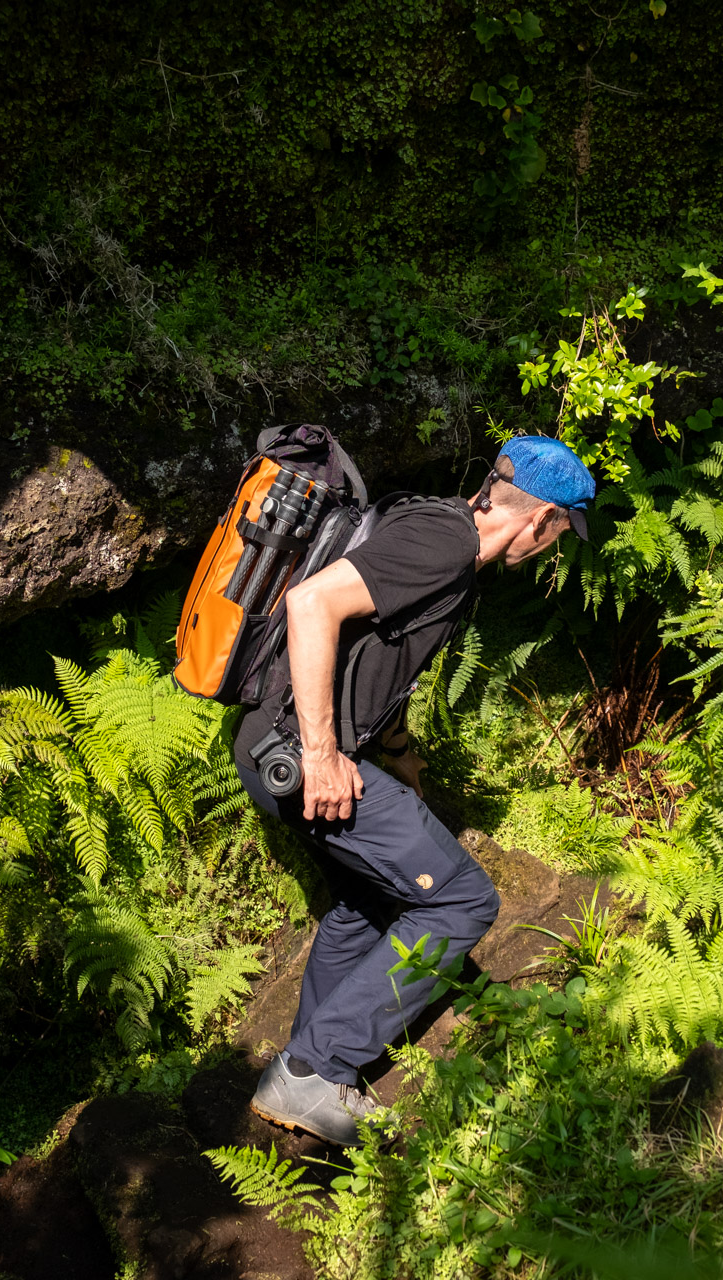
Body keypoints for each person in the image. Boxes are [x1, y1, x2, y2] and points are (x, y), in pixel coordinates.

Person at [236, 435, 597, 1146]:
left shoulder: (438, 534)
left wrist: (401, 762)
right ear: (542, 519)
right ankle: (314, 1071)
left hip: (274, 745)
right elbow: (312, 606)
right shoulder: (444, 543)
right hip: (296, 752)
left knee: (372, 899)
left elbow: (379, 668)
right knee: (464, 900)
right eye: (560, 535)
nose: (554, 549)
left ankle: (310, 1067)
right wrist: (323, 752)